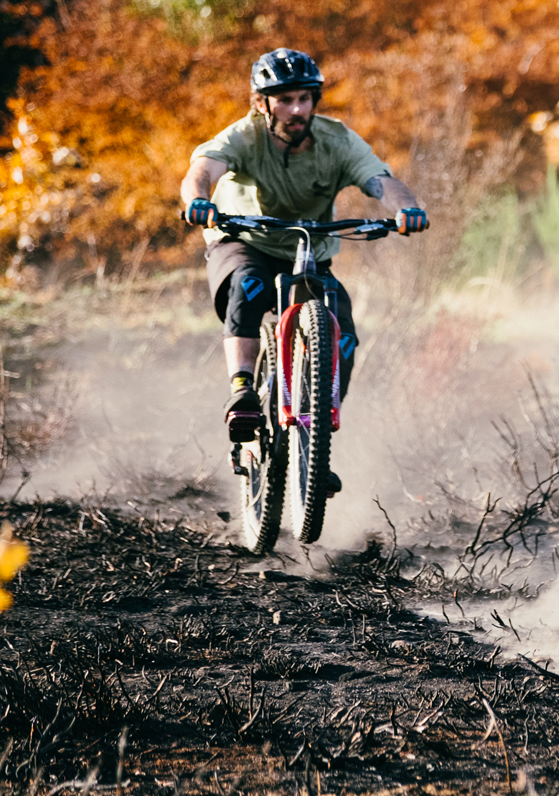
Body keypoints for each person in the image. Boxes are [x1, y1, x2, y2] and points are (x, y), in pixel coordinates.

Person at [180, 48, 428, 487]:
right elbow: (203, 168)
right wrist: (198, 200)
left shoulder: (337, 141)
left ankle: (316, 444)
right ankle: (242, 391)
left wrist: (407, 209)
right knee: (250, 283)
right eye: (284, 100)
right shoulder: (244, 136)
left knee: (343, 333)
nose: (297, 110)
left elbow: (380, 180)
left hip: (309, 246)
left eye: (304, 99)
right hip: (245, 240)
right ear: (263, 104)